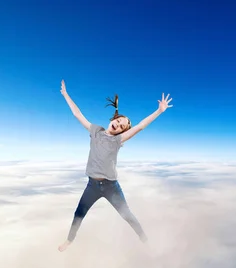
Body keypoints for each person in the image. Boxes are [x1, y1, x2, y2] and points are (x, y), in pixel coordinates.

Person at [58, 80, 173, 252]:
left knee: (127, 215)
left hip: (111, 186)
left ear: (121, 132)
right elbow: (77, 114)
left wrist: (159, 111)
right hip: (92, 186)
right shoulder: (95, 131)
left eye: (122, 127)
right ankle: (69, 240)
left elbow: (141, 126)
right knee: (79, 213)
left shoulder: (118, 140)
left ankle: (145, 240)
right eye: (119, 121)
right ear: (114, 119)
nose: (118, 125)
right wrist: (66, 95)